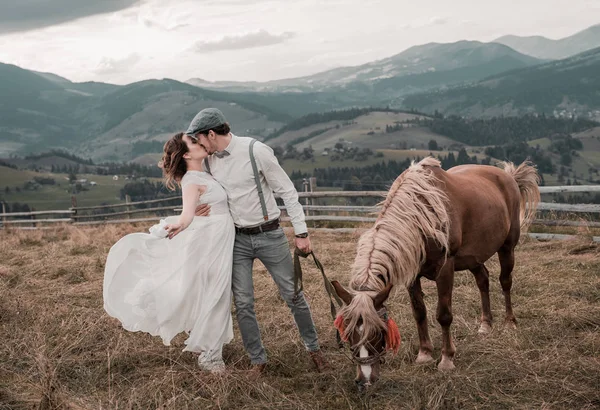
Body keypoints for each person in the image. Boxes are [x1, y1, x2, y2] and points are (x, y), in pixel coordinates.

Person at [185, 108, 330, 377]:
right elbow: (202, 193)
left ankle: (314, 349)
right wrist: (197, 209)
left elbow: (287, 191)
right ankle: (258, 361)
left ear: (212, 134)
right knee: (243, 302)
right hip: (236, 239)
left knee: (293, 294)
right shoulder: (207, 162)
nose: (199, 145)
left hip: (269, 234)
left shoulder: (256, 151)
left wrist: (301, 233)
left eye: (200, 139)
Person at [103, 132, 235, 372]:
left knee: (213, 293)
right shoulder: (191, 180)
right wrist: (182, 223)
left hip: (218, 236)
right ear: (186, 154)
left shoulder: (205, 170)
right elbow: (186, 214)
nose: (200, 142)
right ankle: (210, 356)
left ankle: (207, 342)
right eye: (193, 142)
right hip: (212, 242)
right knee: (216, 294)